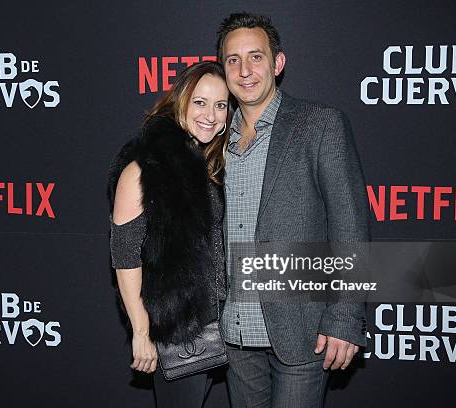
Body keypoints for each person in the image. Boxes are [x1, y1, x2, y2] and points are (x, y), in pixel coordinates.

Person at [216, 12, 370, 408]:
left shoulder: (319, 125)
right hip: (233, 331)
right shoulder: (214, 139)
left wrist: (346, 319)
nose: (245, 70)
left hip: (303, 329)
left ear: (277, 63)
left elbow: (349, 225)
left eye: (256, 57)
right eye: (233, 59)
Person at [107, 61, 231, 408]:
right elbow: (125, 254)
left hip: (218, 327)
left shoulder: (208, 163)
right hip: (177, 331)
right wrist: (142, 332)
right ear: (180, 102)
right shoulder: (143, 167)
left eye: (221, 105)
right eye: (200, 102)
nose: (211, 114)